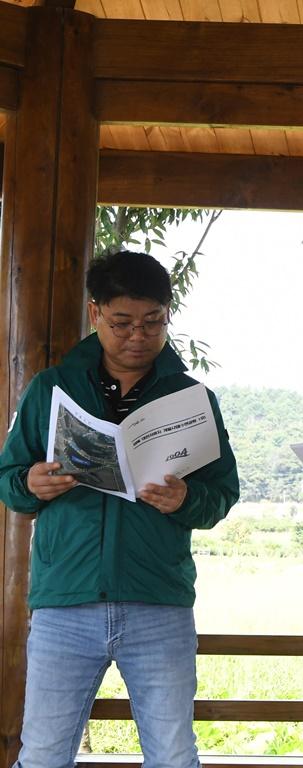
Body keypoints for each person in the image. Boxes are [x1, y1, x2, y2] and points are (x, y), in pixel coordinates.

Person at [0, 250, 240, 767]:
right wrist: (32, 483)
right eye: (122, 322)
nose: (138, 336)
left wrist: (186, 499)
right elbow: (9, 482)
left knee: (174, 755)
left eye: (153, 322)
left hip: (158, 601)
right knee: (42, 754)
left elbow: (222, 494)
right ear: (94, 314)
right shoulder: (51, 389)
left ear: (167, 316)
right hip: (65, 602)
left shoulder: (192, 397)